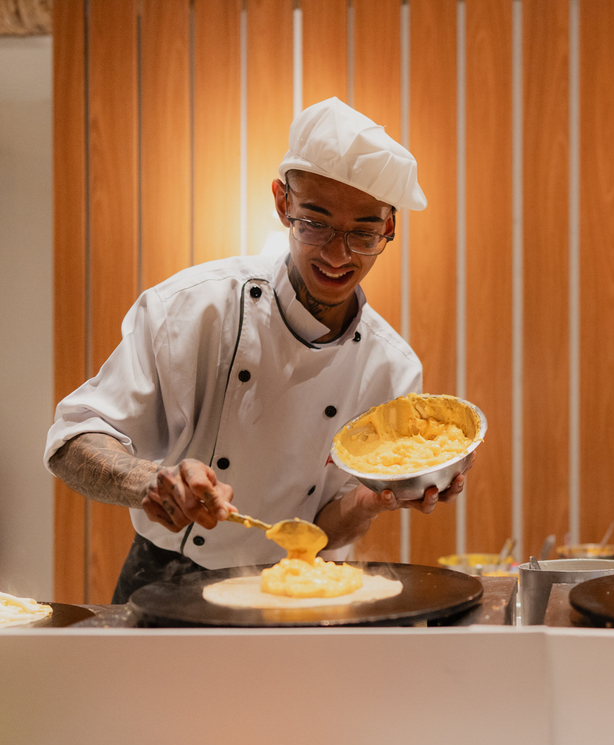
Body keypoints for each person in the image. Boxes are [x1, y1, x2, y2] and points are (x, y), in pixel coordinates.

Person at [45, 97, 466, 603]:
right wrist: (151, 481)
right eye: (315, 221)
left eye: (363, 233)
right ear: (282, 202)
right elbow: (72, 442)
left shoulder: (391, 369)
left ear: (390, 228)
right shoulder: (192, 308)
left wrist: (369, 501)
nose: (338, 255)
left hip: (297, 587)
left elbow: (324, 531)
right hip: (165, 580)